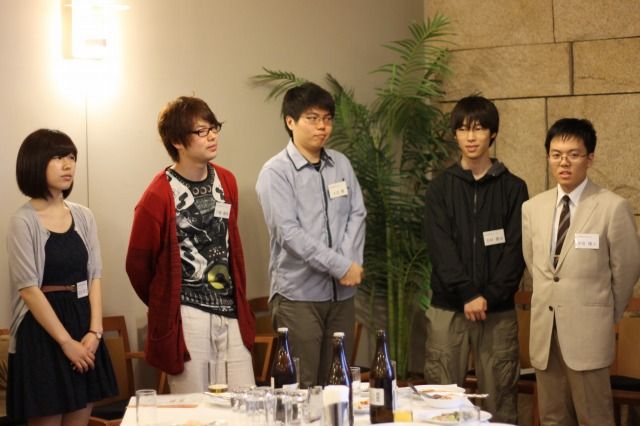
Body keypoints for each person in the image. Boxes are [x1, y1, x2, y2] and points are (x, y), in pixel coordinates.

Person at [126, 96, 255, 392]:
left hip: (231, 308)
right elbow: (137, 265)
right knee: (194, 406)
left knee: (245, 399)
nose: (212, 136)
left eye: (214, 127)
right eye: (201, 131)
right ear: (177, 141)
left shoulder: (227, 181)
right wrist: (166, 301)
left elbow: (231, 242)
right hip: (187, 313)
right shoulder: (158, 194)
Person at [522, 118, 640, 426]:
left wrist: (603, 313)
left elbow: (626, 270)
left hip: (588, 333)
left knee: (595, 418)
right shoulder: (532, 208)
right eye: (556, 154)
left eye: (573, 154)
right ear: (548, 157)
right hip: (545, 334)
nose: (564, 162)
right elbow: (535, 264)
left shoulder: (612, 207)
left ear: (590, 158)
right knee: (552, 418)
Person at [423, 96, 528, 423]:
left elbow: (516, 250)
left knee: (500, 402)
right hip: (448, 309)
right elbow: (440, 247)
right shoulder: (439, 188)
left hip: (497, 312)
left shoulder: (513, 188)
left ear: (492, 134)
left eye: (479, 129)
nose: (471, 137)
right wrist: (468, 293)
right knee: (443, 403)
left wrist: (488, 297)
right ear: (455, 134)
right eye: (463, 129)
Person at [255, 82, 366, 386]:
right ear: (290, 121)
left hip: (342, 296)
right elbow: (288, 234)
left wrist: (349, 262)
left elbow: (357, 213)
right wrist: (340, 265)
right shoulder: (276, 172)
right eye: (313, 118)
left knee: (338, 385)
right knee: (303, 388)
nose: (322, 127)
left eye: (327, 119)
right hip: (299, 297)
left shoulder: (340, 164)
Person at [6, 129, 117, 424]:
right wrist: (67, 343)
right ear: (34, 163)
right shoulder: (22, 221)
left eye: (71, 157)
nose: (68, 165)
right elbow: (28, 289)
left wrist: (95, 332)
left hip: (83, 327)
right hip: (43, 334)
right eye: (57, 158)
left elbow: (95, 276)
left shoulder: (84, 215)